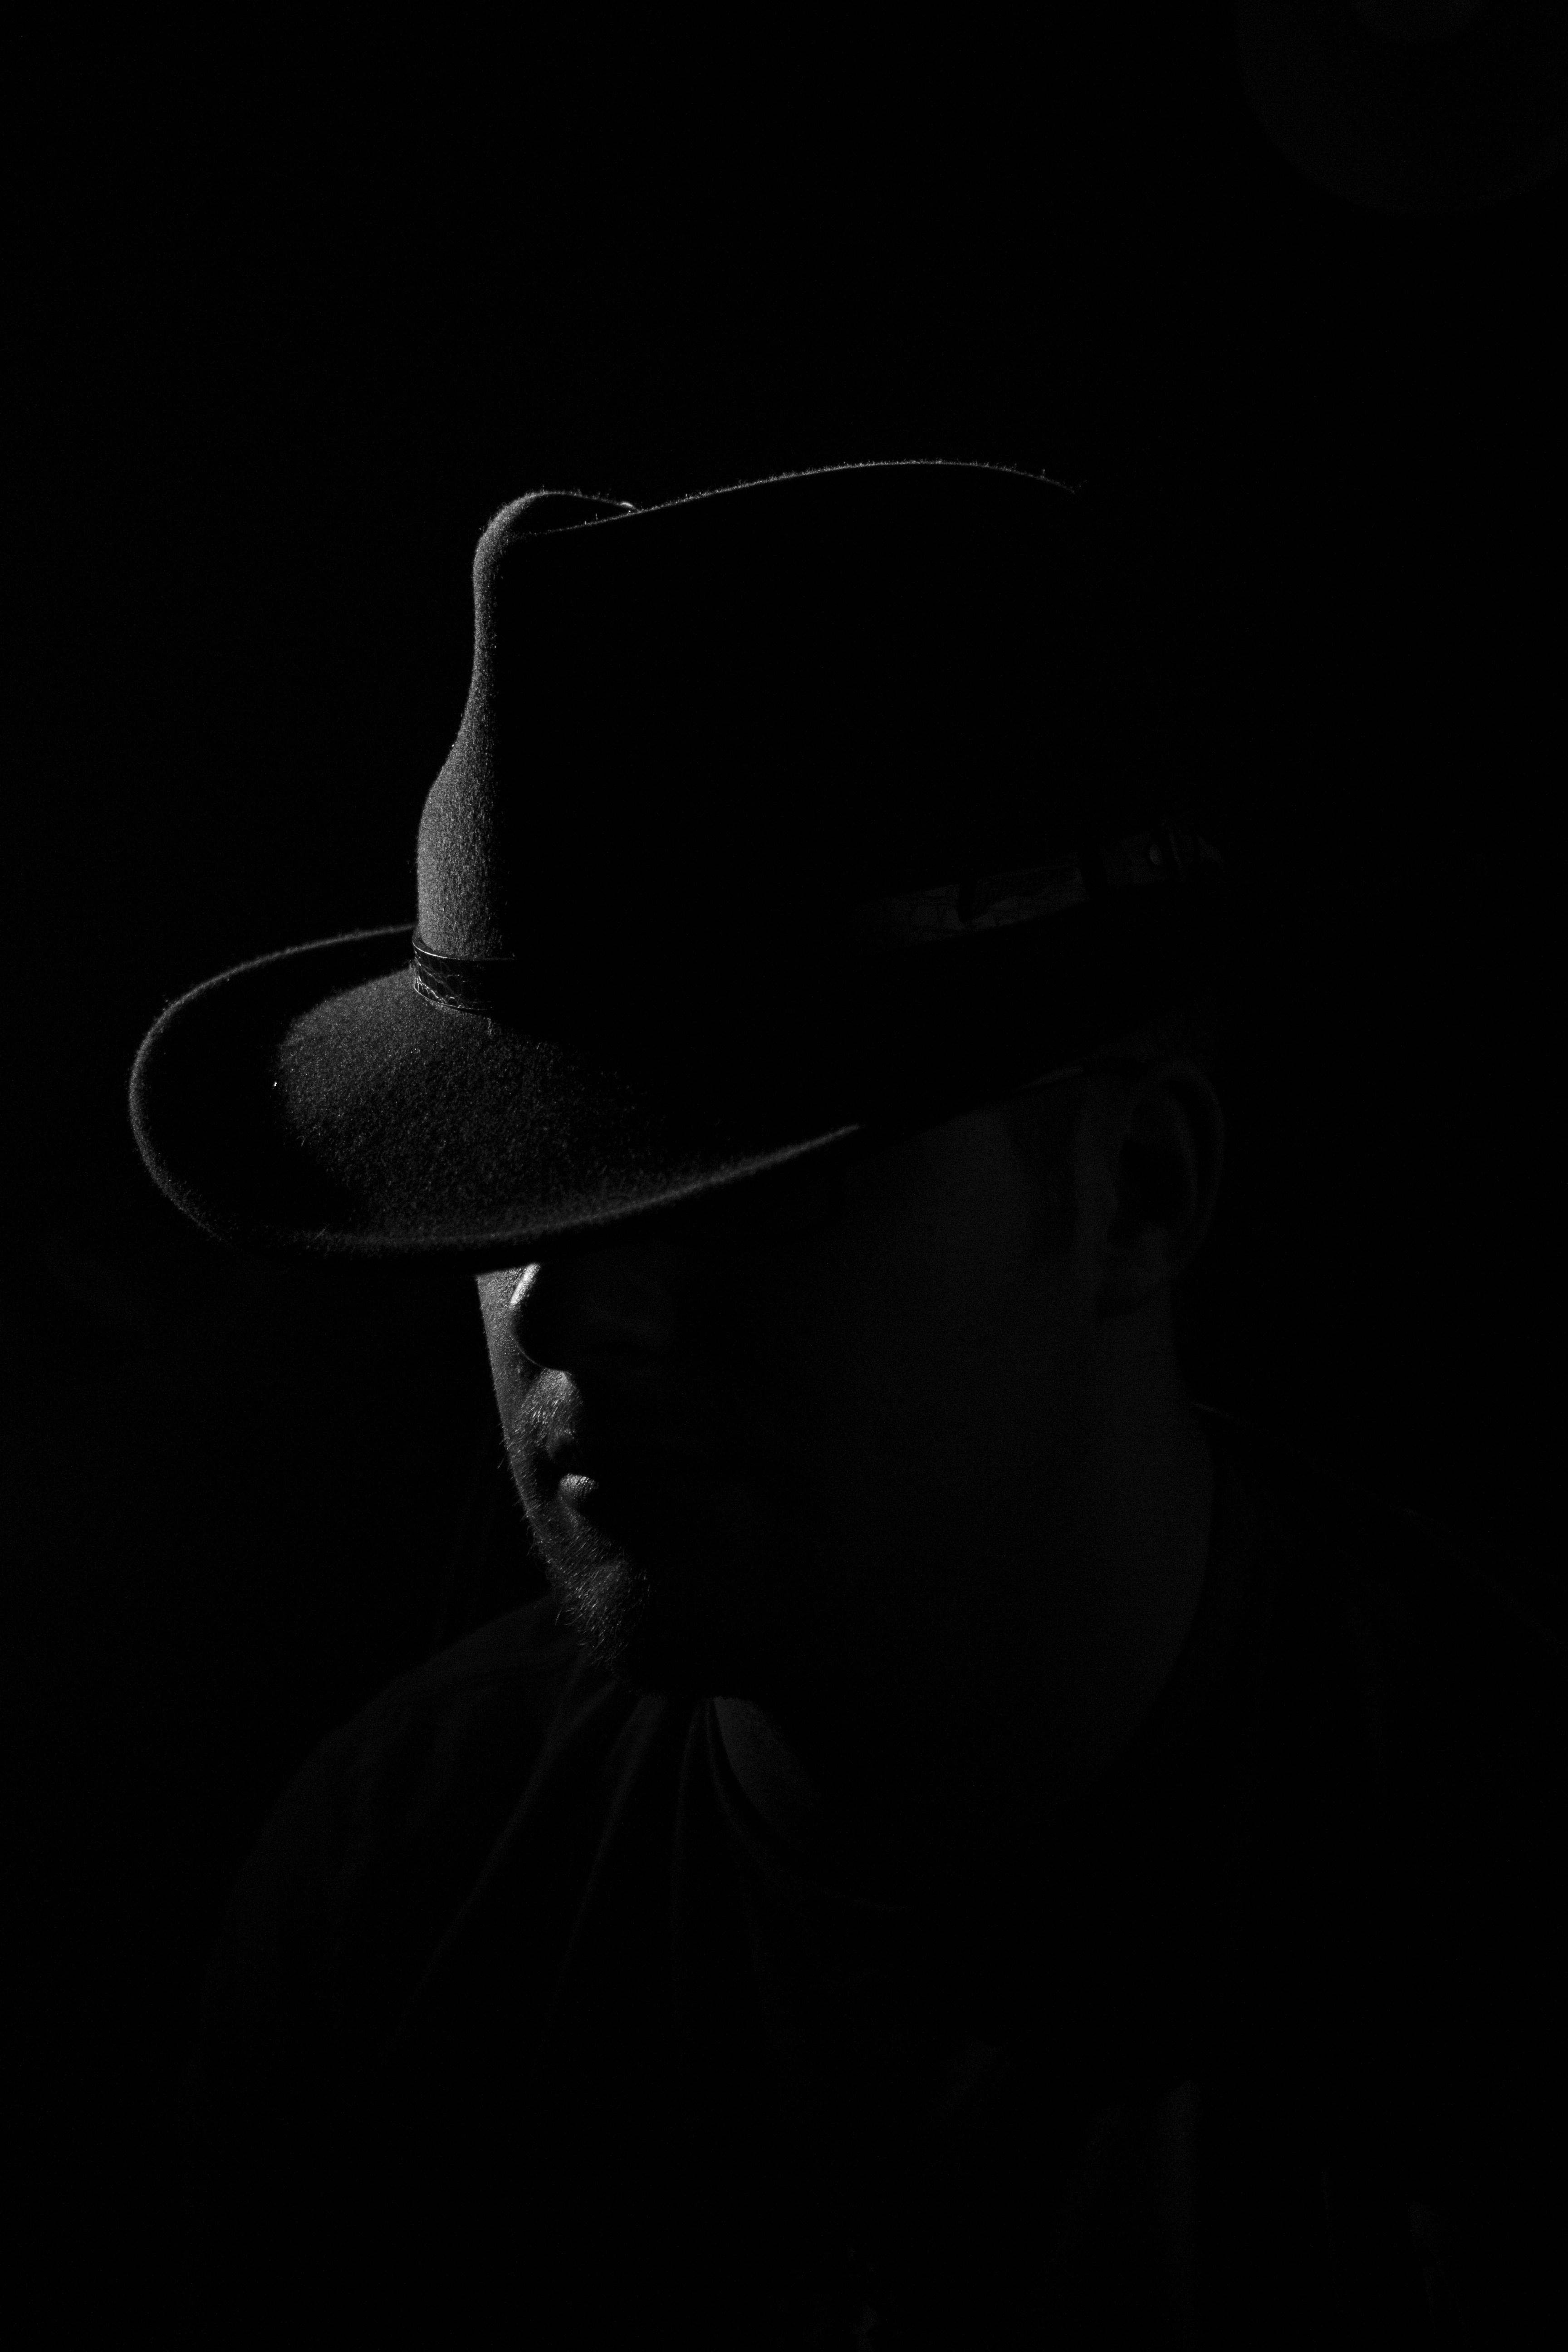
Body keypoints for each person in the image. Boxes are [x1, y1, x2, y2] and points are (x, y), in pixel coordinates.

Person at [130, 463, 1562, 2348]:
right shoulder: (397, 1894)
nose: (562, 1304)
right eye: (516, 1195)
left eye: (743, 1193)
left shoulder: (1499, 1944)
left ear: (1136, 1194)